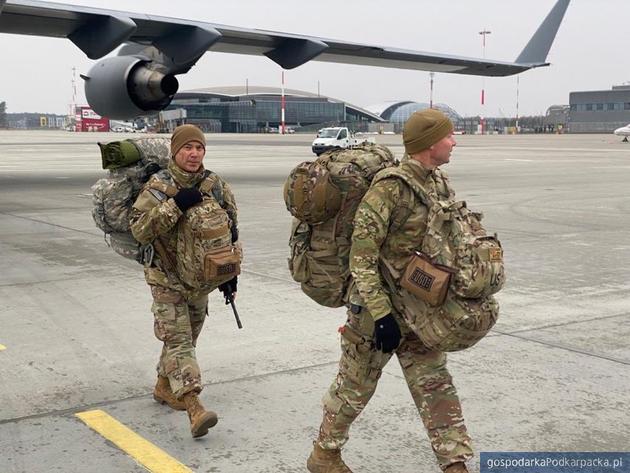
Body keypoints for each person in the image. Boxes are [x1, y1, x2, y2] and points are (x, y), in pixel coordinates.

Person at [307, 109, 473, 473]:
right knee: (354, 388)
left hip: (419, 309)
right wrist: (382, 317)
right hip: (374, 313)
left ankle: (454, 462)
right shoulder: (388, 189)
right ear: (429, 143)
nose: (454, 141)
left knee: (435, 384)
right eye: (449, 136)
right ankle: (325, 454)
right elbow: (361, 260)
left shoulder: (439, 183)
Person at [129, 124, 239, 438]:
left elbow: (230, 230)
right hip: (165, 275)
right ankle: (194, 406)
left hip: (200, 279)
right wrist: (176, 206)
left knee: (188, 336)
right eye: (187, 148)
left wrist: (228, 276)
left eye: (199, 148)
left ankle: (164, 387)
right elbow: (139, 229)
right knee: (178, 342)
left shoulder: (214, 184)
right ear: (175, 152)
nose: (193, 154)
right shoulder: (158, 186)